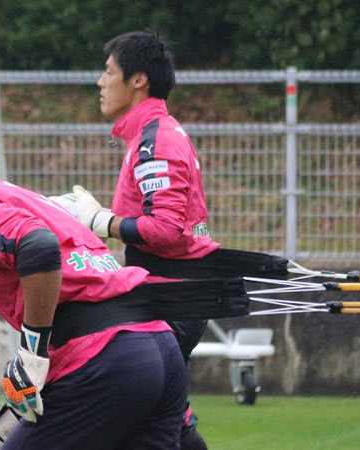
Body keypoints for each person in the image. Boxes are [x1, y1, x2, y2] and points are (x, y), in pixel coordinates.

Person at [0, 101, 188, 449]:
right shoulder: (7, 193)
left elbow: (37, 245)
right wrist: (0, 431)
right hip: (157, 346)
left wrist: (31, 352)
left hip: (109, 357)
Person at [69, 30, 219, 450]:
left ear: (138, 80)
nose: (100, 82)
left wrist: (100, 221)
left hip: (172, 297)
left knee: (137, 426)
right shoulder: (152, 133)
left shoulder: (156, 139)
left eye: (108, 72)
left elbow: (166, 229)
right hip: (173, 294)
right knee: (170, 424)